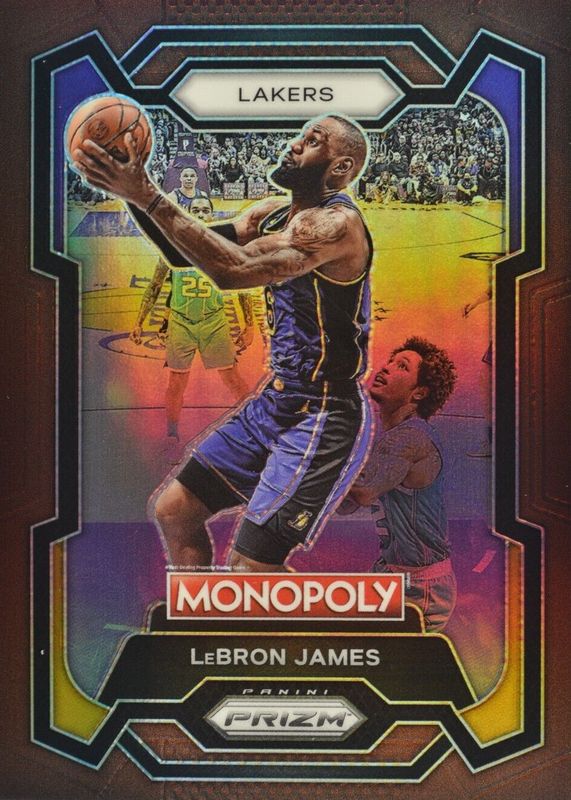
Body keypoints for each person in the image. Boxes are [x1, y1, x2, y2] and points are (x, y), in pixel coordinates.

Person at [73, 113, 373, 572]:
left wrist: (146, 193)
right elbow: (180, 253)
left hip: (323, 412)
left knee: (250, 567)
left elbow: (233, 271)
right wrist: (130, 192)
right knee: (175, 510)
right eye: (300, 134)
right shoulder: (271, 214)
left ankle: (289, 620)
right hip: (275, 400)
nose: (295, 144)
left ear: (341, 167)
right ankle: (198, 613)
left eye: (312, 141)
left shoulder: (337, 225)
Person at [339, 337, 457, 632]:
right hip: (390, 572)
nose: (386, 368)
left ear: (419, 393)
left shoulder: (409, 438)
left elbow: (362, 492)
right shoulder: (395, 438)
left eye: (401, 366)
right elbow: (346, 505)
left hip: (419, 586)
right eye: (390, 361)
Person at [129, 196, 251, 453]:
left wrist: (249, 325)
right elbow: (154, 287)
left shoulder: (222, 249)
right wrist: (139, 322)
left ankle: (255, 428)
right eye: (196, 210)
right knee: (176, 381)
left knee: (232, 378)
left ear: (212, 216)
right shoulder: (173, 249)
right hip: (180, 322)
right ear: (189, 214)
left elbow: (242, 287)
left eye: (206, 210)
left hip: (214, 320)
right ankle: (172, 432)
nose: (201, 213)